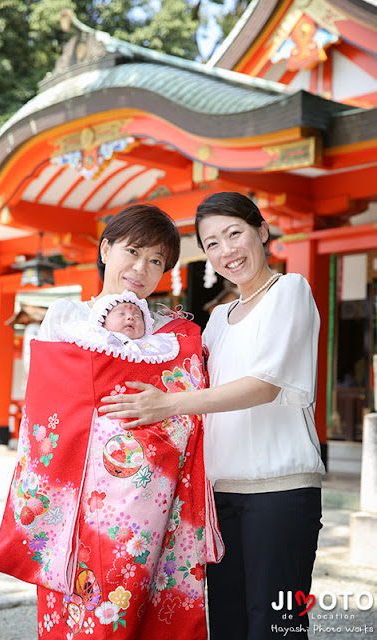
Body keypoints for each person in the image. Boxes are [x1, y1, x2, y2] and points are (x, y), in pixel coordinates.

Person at [0, 203, 222, 640]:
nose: (141, 269)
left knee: (141, 605)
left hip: (151, 503)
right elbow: (44, 411)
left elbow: (190, 406)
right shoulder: (66, 319)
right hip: (74, 500)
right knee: (79, 603)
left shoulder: (174, 332)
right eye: (132, 251)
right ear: (106, 248)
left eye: (156, 262)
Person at [100, 192, 325, 640]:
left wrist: (167, 405)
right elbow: (186, 383)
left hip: (280, 494)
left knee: (276, 627)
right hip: (218, 499)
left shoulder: (290, 290)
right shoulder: (218, 318)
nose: (227, 251)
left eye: (235, 233)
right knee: (225, 625)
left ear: (262, 232)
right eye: (213, 243)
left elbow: (265, 385)